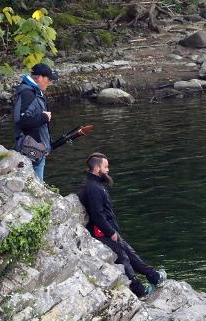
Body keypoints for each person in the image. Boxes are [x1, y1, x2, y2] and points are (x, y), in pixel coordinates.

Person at [78, 152, 166, 298]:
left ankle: (154, 276)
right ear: (97, 168)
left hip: (106, 229)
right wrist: (111, 232)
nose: (108, 170)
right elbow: (97, 215)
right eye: (105, 167)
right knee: (123, 257)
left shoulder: (94, 184)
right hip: (101, 231)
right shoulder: (93, 188)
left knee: (128, 252)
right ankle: (141, 290)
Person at [13, 63, 57, 181]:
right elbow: (23, 122)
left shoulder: (33, 92)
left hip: (37, 149)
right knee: (37, 189)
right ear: (40, 78)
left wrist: (46, 146)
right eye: (49, 79)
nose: (50, 82)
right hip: (32, 150)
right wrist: (44, 117)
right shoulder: (28, 93)